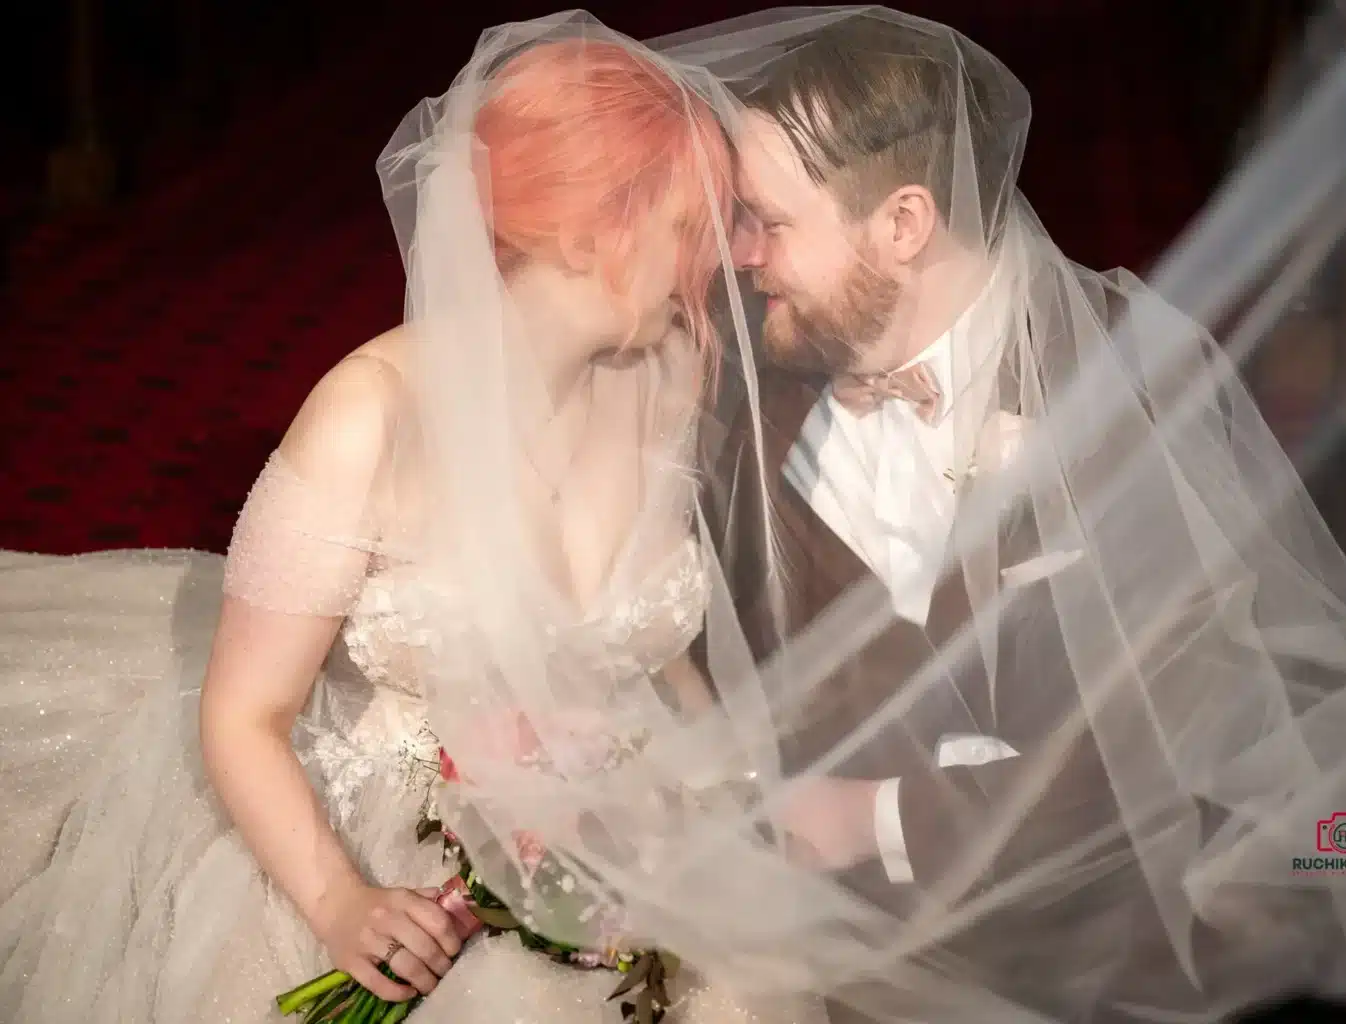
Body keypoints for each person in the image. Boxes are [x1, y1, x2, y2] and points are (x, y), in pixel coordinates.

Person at [631, 6, 1346, 1023]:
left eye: (771, 221)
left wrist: (877, 817)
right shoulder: (746, 401)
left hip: (1141, 962)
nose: (741, 252)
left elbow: (1178, 728)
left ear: (903, 223)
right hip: (867, 979)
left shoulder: (1123, 375)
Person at [0, 19, 819, 1024]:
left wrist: (728, 793)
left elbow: (649, 647)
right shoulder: (369, 417)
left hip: (619, 815)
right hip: (392, 826)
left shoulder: (669, 372)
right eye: (694, 225)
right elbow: (243, 715)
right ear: (586, 229)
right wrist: (340, 901)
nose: (727, 257)